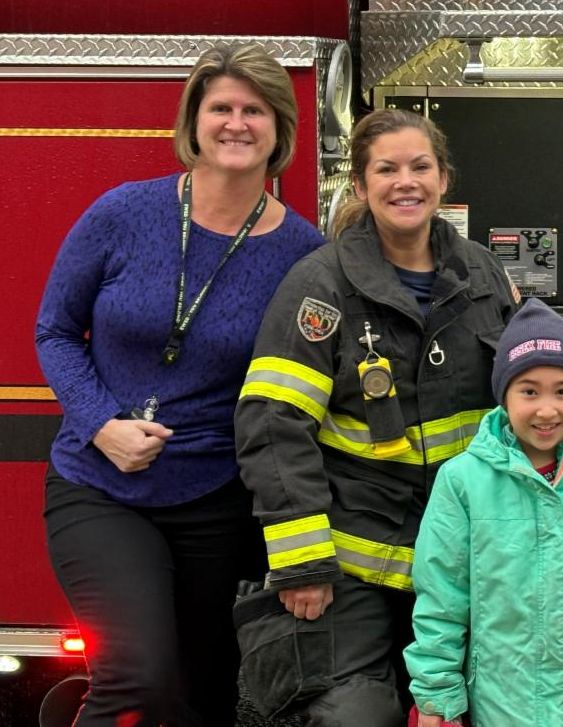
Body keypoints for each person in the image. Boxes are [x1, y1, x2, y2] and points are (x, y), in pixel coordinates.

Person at [34, 43, 325, 725]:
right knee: (136, 675)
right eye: (220, 107)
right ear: (193, 120)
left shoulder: (304, 256)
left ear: (280, 129)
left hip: (217, 502)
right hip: (99, 485)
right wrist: (101, 423)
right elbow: (55, 330)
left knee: (202, 697)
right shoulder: (122, 214)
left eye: (255, 110)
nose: (236, 123)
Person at [234, 108, 519, 726]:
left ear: (443, 179)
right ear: (361, 186)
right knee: (355, 715)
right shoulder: (320, 286)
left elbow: (522, 408)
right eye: (386, 169)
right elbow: (274, 425)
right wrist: (303, 562)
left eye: (420, 166)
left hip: (465, 560)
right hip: (351, 568)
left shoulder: (484, 275)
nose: (405, 182)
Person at [403, 298, 563, 727]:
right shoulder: (463, 481)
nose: (547, 410)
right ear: (503, 396)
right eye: (529, 391)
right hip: (502, 710)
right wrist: (436, 698)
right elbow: (441, 602)